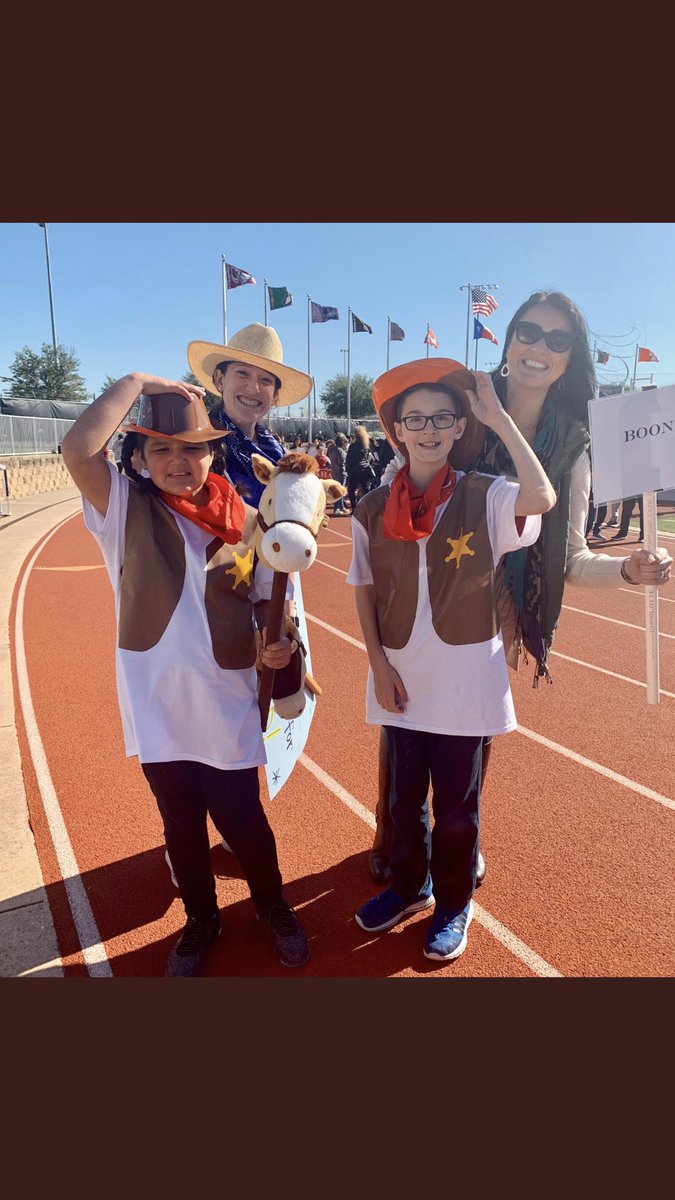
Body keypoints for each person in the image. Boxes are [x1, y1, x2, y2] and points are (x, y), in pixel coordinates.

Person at [370, 290, 673, 885]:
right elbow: (406, 470)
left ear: (570, 356)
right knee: (404, 719)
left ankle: (459, 840)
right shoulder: (464, 404)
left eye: (558, 340)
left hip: (498, 606)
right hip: (423, 587)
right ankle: (399, 830)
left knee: (470, 731)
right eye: (529, 332)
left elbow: (572, 559)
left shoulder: (573, 442)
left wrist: (629, 572)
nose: (541, 347)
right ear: (508, 341)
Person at [61, 375, 312, 977]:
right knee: (181, 828)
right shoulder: (121, 508)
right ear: (141, 458)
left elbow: (272, 607)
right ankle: (202, 921)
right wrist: (136, 382)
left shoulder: (252, 522)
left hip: (225, 702)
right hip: (157, 707)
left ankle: (274, 906)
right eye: (163, 449)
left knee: (244, 822)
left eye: (192, 447)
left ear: (212, 453)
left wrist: (277, 651)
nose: (179, 460)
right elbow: (76, 449)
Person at [347, 357, 556, 961]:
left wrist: (500, 420)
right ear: (398, 431)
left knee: (458, 810)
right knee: (404, 803)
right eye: (416, 419)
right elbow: (361, 588)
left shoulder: (486, 496)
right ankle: (411, 888)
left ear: (461, 426)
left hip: (466, 682)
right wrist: (377, 666)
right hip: (402, 680)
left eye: (444, 417)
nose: (430, 428)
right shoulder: (370, 507)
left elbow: (540, 497)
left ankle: (454, 904)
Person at [187, 323, 312, 508]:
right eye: (242, 373)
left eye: (265, 380)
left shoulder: (280, 453)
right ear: (220, 379)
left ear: (274, 395)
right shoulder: (195, 446)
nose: (253, 388)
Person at [346, 425, 376, 512]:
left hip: (354, 471)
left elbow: (349, 460)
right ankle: (367, 509)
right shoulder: (366, 446)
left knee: (351, 490)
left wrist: (349, 470)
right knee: (366, 490)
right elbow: (371, 459)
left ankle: (354, 508)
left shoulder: (353, 446)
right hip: (365, 470)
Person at [328, 433, 349, 514]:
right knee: (340, 491)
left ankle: (341, 507)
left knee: (338, 490)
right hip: (341, 472)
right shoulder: (340, 450)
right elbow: (342, 462)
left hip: (334, 472)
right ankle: (337, 508)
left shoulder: (332, 449)